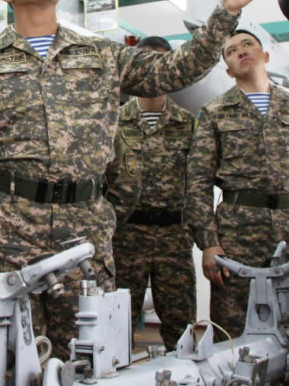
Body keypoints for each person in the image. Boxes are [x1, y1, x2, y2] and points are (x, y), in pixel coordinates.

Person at [0, 0, 258, 357]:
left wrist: (226, 11)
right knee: (16, 357)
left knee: (89, 357)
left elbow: (178, 68)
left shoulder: (102, 55)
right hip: (8, 231)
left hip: (83, 235)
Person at [186, 29, 289, 336]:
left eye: (248, 45)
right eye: (231, 51)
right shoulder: (214, 113)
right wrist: (208, 244)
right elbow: (197, 184)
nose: (241, 51)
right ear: (228, 70)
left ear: (265, 56)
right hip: (236, 240)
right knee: (232, 332)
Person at [105, 35, 197, 350]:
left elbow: (200, 185)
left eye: (160, 64)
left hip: (174, 236)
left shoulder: (189, 125)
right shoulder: (114, 123)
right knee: (116, 327)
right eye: (146, 64)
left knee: (181, 328)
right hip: (125, 237)